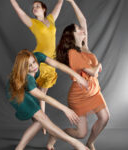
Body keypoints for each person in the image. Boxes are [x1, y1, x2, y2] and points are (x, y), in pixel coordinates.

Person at [47, 0, 110, 150]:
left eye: (82, 29)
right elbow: (93, 72)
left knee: (105, 118)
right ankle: (56, 134)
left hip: (93, 90)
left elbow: (84, 21)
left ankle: (90, 143)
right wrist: (99, 65)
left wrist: (71, 2)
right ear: (72, 36)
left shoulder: (84, 46)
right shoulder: (73, 53)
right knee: (80, 133)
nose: (83, 30)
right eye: (78, 30)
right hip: (79, 95)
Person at [6, 49, 89, 150]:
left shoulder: (37, 56)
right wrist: (65, 109)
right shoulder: (28, 80)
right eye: (29, 66)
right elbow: (44, 97)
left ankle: (19, 148)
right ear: (24, 69)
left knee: (40, 121)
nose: (34, 66)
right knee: (42, 119)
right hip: (16, 94)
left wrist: (77, 76)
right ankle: (76, 144)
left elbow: (58, 65)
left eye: (33, 62)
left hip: (26, 89)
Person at [10, 1, 64, 134]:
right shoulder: (33, 23)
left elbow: (58, 7)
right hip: (39, 60)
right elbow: (20, 12)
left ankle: (42, 122)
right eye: (33, 7)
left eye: (37, 6)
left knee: (43, 93)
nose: (34, 9)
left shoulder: (51, 19)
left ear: (44, 9)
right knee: (35, 92)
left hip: (51, 61)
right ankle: (39, 118)